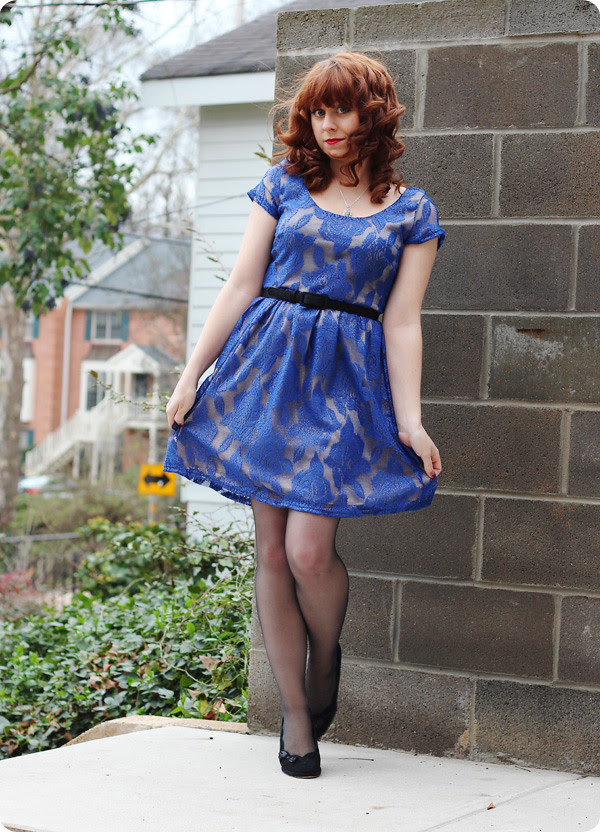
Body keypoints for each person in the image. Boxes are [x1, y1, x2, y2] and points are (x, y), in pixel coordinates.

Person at [164, 52, 445, 779]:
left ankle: (325, 666)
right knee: (270, 552)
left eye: (342, 109)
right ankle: (296, 714)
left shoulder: (411, 211)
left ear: (373, 114)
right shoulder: (285, 184)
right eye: (317, 111)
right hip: (266, 375)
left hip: (345, 390)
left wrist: (410, 419)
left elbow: (402, 321)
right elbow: (240, 286)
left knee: (308, 553)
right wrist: (192, 376)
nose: (328, 124)